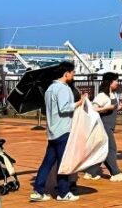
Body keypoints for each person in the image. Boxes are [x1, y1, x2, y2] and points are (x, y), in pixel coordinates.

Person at [31, 61, 87, 202]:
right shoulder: (62, 88)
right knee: (63, 163)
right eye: (73, 72)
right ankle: (63, 192)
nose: (73, 75)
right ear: (66, 73)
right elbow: (64, 108)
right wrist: (80, 102)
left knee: (48, 162)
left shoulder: (50, 89)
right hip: (63, 130)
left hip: (52, 131)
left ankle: (38, 190)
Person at [83, 72, 122, 182]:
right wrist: (107, 108)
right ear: (110, 82)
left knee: (103, 150)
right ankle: (115, 173)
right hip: (103, 127)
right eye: (116, 81)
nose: (117, 83)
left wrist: (119, 107)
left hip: (110, 126)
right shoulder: (101, 96)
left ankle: (91, 172)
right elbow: (93, 109)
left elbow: (112, 109)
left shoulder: (113, 95)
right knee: (111, 149)